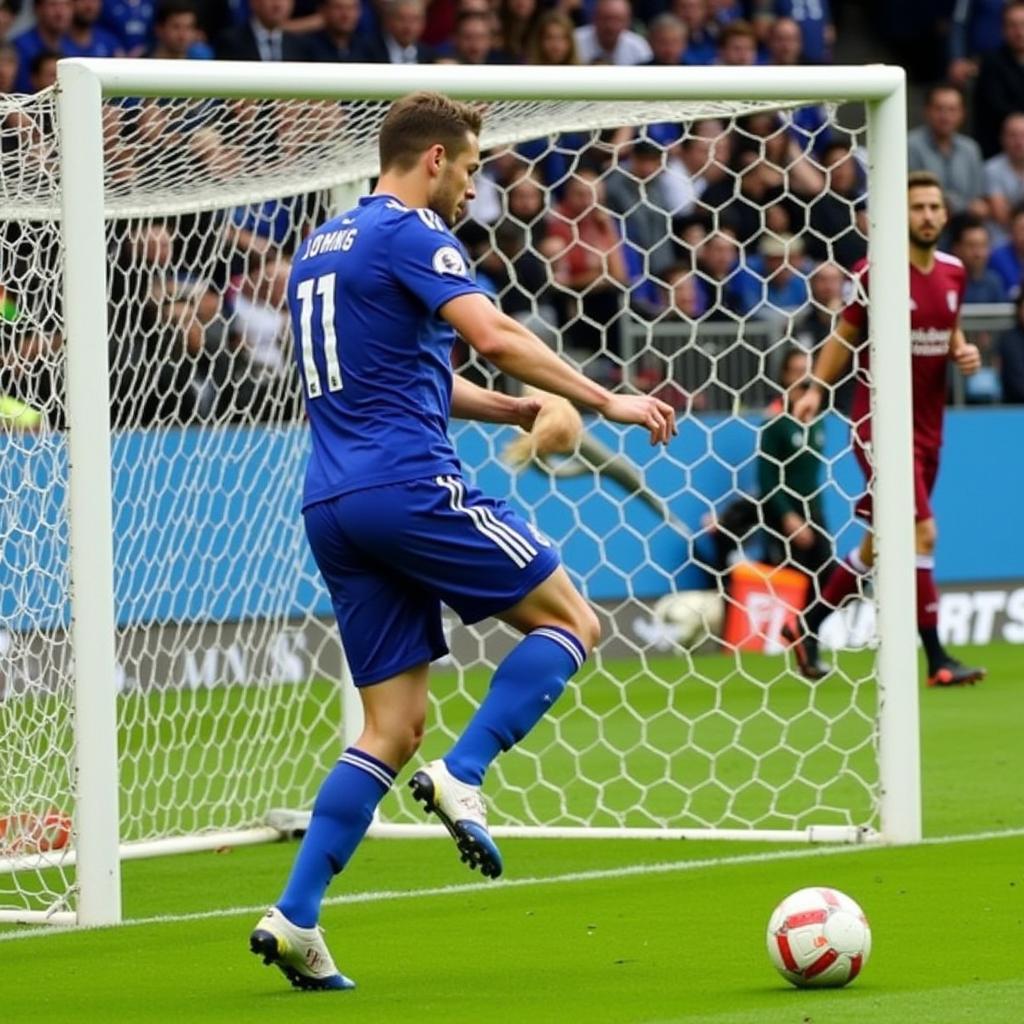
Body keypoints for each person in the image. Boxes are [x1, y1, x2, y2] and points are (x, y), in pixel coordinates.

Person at [248, 91, 676, 992]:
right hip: (409, 486)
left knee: (389, 728)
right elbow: (494, 332)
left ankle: (294, 916)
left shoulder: (320, 249)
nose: (473, 188)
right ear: (433, 158)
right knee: (572, 621)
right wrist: (607, 400)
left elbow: (417, 376)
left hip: (332, 502)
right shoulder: (412, 232)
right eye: (473, 168)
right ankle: (467, 775)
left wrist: (519, 408)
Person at [784, 171, 986, 689]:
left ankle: (804, 626)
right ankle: (938, 658)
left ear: (945, 214)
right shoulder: (876, 271)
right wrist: (814, 389)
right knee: (922, 532)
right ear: (900, 216)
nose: (926, 216)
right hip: (879, 424)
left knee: (879, 546)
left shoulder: (954, 272)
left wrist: (963, 351)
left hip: (928, 427)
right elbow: (845, 334)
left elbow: (950, 329)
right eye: (916, 207)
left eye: (934, 207)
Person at [906, 83, 988, 219]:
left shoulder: (970, 148)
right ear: (926, 111)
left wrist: (961, 206)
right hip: (924, 221)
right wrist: (962, 206)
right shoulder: (910, 145)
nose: (945, 116)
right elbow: (918, 193)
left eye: (952, 110)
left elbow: (977, 199)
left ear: (962, 114)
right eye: (939, 109)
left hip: (963, 228)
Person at [974, 1, 1024, 159]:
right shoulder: (991, 63)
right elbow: (997, 108)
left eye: (1023, 24)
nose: (1019, 32)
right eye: (1013, 25)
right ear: (1003, 30)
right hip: (999, 151)